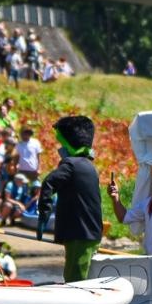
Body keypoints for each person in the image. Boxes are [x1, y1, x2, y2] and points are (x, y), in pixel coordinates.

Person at [40, 115, 104, 282]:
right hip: (90, 232)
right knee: (82, 274)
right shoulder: (89, 166)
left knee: (75, 280)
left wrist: (43, 217)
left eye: (62, 144)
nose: (60, 149)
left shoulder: (70, 164)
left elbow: (48, 183)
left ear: (69, 144)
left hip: (79, 233)